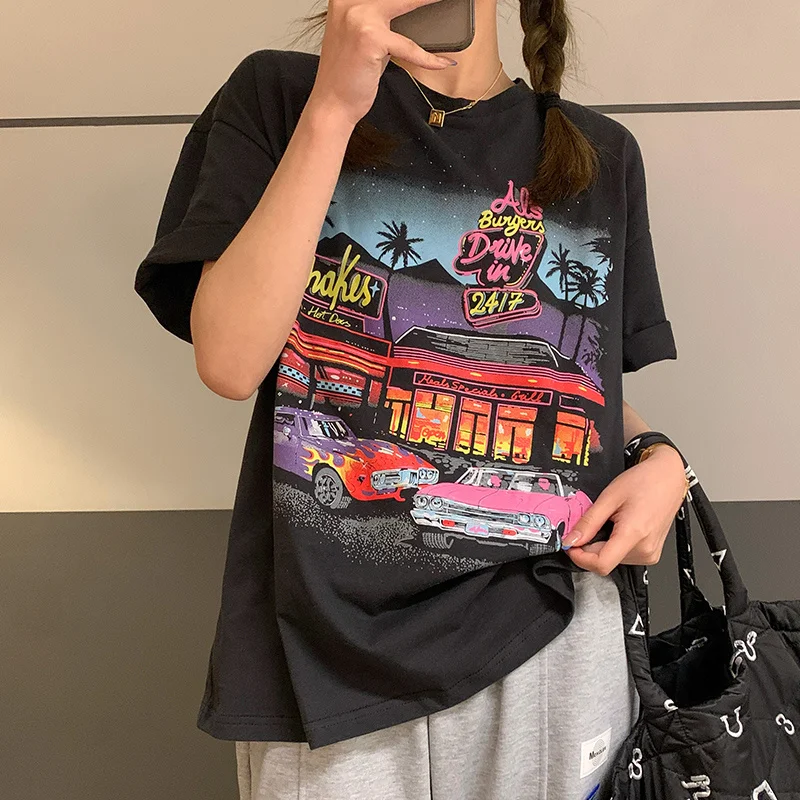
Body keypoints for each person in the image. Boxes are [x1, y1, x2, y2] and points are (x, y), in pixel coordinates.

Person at [134, 0, 690, 797]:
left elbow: (573, 392)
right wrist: (334, 106)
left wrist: (658, 456)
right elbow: (229, 361)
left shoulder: (599, 152)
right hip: (319, 651)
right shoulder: (279, 98)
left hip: (548, 626)